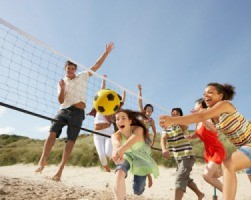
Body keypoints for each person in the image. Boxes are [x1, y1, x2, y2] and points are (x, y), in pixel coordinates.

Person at [159, 83, 251, 200]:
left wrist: (172, 119)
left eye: (210, 92)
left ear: (220, 96)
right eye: (204, 93)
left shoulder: (225, 104)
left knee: (228, 164)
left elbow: (200, 117)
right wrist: (172, 122)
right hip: (245, 149)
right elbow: (196, 119)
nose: (206, 95)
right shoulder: (210, 115)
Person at [35, 42, 115, 181]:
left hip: (78, 111)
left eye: (72, 68)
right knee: (51, 133)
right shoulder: (62, 82)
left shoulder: (83, 76)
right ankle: (42, 160)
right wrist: (63, 88)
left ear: (75, 69)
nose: (70, 70)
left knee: (70, 141)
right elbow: (60, 100)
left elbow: (96, 65)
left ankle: (60, 170)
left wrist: (106, 53)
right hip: (64, 109)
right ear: (65, 69)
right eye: (68, 68)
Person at [111, 109, 159, 200]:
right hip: (128, 155)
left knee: (138, 191)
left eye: (123, 118)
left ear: (130, 121)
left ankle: (145, 176)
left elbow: (130, 142)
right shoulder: (115, 135)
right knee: (119, 171)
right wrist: (115, 152)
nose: (119, 121)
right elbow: (115, 144)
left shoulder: (138, 129)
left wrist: (120, 150)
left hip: (141, 158)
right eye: (117, 119)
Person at [160, 107, 205, 200]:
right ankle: (200, 194)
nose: (173, 114)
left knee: (180, 178)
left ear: (180, 115)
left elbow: (183, 125)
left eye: (176, 113)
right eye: (172, 113)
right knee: (185, 178)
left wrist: (174, 120)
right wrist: (164, 149)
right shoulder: (166, 127)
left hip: (187, 155)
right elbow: (163, 138)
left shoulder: (182, 124)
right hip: (177, 157)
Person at [87, 74, 126, 172]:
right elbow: (101, 90)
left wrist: (124, 91)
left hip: (109, 132)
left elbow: (122, 101)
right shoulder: (99, 104)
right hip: (98, 133)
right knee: (102, 156)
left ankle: (122, 167)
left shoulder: (114, 108)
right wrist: (103, 79)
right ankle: (108, 171)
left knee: (109, 153)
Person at [186, 98, 226, 192]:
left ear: (200, 105)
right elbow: (199, 133)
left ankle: (227, 194)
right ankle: (229, 169)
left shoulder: (208, 117)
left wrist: (202, 118)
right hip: (208, 152)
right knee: (216, 175)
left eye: (196, 104)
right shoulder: (198, 121)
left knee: (206, 176)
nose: (194, 106)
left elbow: (214, 130)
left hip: (217, 149)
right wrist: (190, 137)